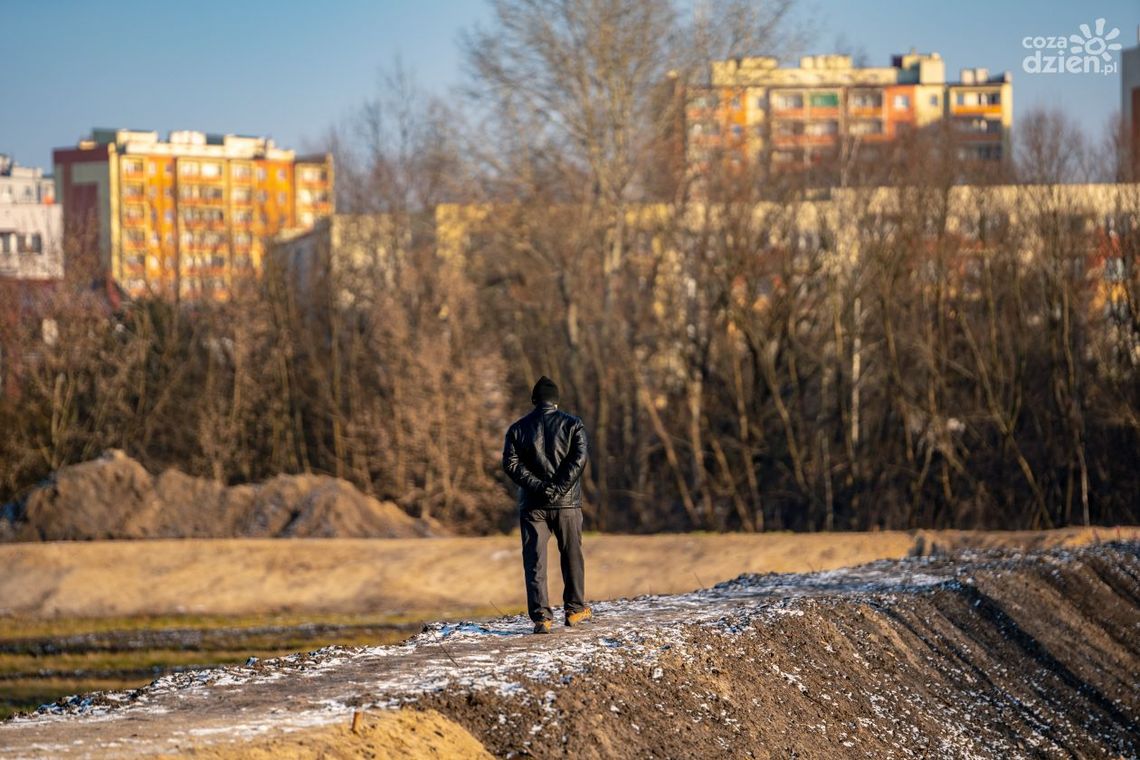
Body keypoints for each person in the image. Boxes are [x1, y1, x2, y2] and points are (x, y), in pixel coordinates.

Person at [502, 376, 592, 634]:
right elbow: (579, 459)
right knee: (572, 555)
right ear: (556, 400)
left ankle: (542, 618)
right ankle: (575, 610)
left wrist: (539, 487)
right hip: (567, 504)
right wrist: (559, 488)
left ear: (534, 400)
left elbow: (510, 463)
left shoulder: (517, 429)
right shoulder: (573, 425)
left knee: (535, 560)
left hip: (532, 505)